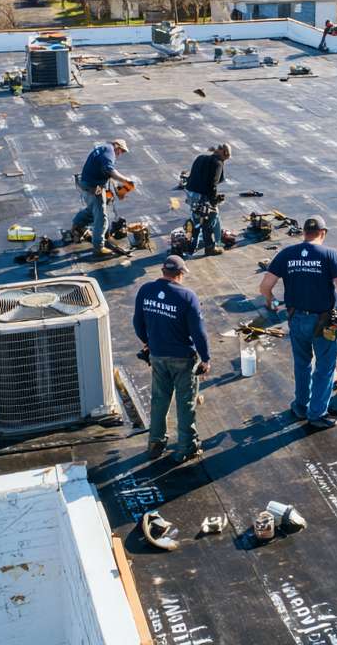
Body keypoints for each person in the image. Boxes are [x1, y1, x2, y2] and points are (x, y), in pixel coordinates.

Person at [258, 216, 337, 429]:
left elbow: (265, 286)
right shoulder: (329, 255)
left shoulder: (287, 254)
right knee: (325, 367)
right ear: (323, 233)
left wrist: (271, 301)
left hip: (296, 319)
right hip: (323, 322)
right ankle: (317, 414)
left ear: (303, 233)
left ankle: (300, 406)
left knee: (302, 363)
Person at [133, 255, 211, 464]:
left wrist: (148, 342)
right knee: (185, 403)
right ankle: (187, 447)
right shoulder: (187, 296)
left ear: (162, 271)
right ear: (180, 274)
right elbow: (198, 333)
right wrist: (205, 358)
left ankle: (155, 443)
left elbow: (137, 323)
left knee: (159, 399)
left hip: (158, 356)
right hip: (183, 358)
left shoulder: (145, 290)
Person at [71, 138, 132, 256]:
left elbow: (108, 174)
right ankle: (99, 247)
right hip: (94, 187)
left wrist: (118, 191)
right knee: (101, 216)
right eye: (122, 151)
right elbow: (110, 171)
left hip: (88, 183)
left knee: (92, 209)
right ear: (117, 146)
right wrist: (126, 181)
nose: (121, 154)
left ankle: (76, 225)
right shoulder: (110, 151)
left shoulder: (104, 149)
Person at [184, 143, 232, 257]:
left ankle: (190, 247)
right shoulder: (218, 163)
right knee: (208, 220)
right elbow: (212, 185)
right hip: (201, 197)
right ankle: (210, 248)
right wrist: (214, 200)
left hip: (191, 194)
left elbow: (194, 177)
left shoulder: (201, 157)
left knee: (195, 221)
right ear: (225, 154)